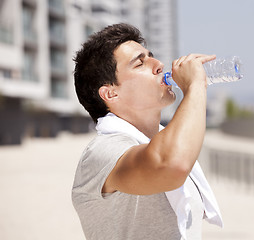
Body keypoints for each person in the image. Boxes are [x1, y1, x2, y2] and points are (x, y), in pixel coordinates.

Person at [71, 23, 223, 240]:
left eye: (152, 56)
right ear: (111, 94)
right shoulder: (102, 152)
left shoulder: (167, 142)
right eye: (140, 63)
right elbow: (170, 165)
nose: (159, 64)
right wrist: (195, 87)